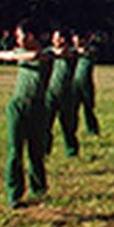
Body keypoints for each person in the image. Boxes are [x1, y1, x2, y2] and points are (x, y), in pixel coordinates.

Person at [0, 19, 51, 208]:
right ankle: (14, 194)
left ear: (30, 36)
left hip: (38, 107)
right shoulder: (20, 52)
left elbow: (35, 57)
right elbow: (7, 56)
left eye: (19, 36)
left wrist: (10, 55)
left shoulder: (45, 54)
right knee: (15, 151)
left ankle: (38, 189)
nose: (17, 40)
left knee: (35, 151)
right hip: (17, 106)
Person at [44, 27, 80, 158]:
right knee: (46, 124)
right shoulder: (48, 51)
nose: (55, 40)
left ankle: (71, 151)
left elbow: (68, 53)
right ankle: (44, 149)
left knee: (68, 125)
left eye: (58, 38)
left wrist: (56, 53)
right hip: (50, 92)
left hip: (67, 94)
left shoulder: (72, 52)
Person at [72, 30, 100, 137]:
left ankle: (92, 130)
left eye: (78, 39)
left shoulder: (90, 50)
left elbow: (91, 52)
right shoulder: (71, 52)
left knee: (89, 108)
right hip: (73, 84)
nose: (76, 41)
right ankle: (72, 129)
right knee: (73, 110)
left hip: (86, 84)